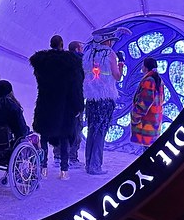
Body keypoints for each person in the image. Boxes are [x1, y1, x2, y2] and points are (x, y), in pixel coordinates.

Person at [29, 34, 85, 180]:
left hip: (45, 103)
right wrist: (78, 105)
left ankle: (44, 168)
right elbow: (76, 86)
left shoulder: (41, 62)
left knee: (45, 137)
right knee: (64, 136)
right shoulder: (71, 63)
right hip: (64, 105)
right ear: (62, 44)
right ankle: (64, 171)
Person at [81, 26, 128, 175]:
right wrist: (120, 67)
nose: (111, 43)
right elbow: (116, 76)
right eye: (110, 40)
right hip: (105, 98)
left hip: (91, 98)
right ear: (106, 41)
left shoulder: (87, 53)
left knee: (92, 129)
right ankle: (96, 166)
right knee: (101, 131)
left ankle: (88, 163)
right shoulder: (110, 54)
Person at [130, 57, 165, 147]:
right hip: (155, 122)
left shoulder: (149, 81)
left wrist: (135, 116)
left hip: (146, 124)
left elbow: (144, 103)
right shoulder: (158, 80)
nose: (141, 67)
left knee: (146, 152)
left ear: (146, 67)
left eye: (142, 65)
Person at [66, 40, 86, 167]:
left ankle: (60, 156)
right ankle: (73, 158)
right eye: (82, 47)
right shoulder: (82, 61)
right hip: (76, 98)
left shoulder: (61, 60)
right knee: (76, 128)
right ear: (78, 49)